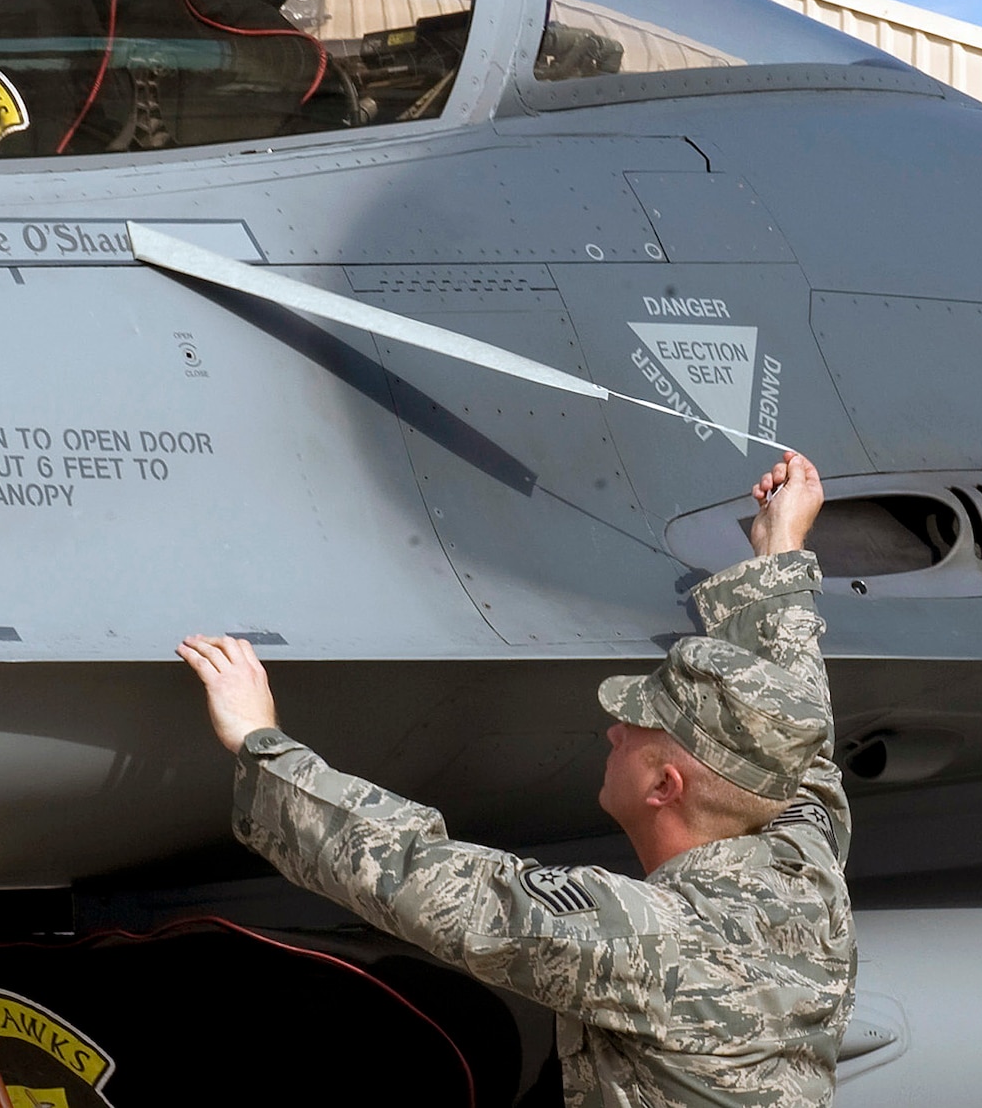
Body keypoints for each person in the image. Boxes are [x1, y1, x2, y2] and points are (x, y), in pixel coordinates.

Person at [179, 452, 853, 1107]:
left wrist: (259, 742)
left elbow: (429, 880)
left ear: (664, 788)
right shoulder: (803, 866)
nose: (614, 732)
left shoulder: (648, 941)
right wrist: (780, 551)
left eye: (634, 728)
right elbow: (801, 743)